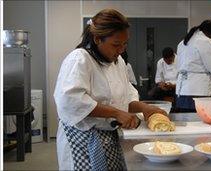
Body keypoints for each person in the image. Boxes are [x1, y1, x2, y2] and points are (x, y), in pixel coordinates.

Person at [53, 9, 168, 170]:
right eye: (116, 44)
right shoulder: (80, 59)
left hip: (109, 137)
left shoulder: (118, 61)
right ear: (97, 39)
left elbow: (124, 97)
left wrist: (144, 108)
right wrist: (116, 113)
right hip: (83, 140)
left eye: (125, 43)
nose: (121, 50)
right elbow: (71, 101)